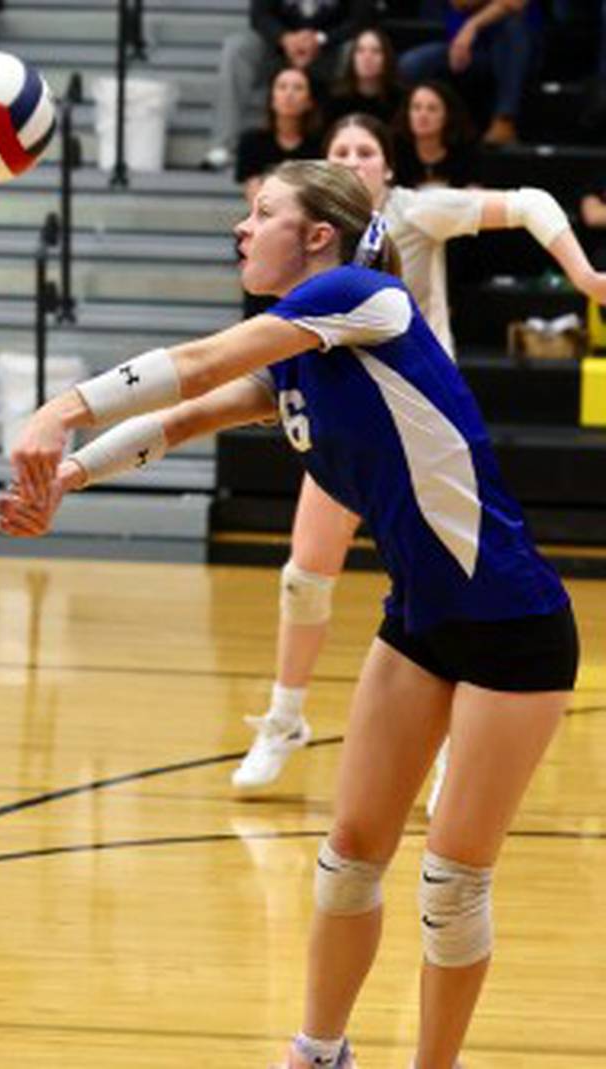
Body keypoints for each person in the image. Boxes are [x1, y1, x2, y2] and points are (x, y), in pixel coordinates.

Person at [0, 158, 581, 1069]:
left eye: (261, 211)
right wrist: (67, 476)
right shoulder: (302, 358)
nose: (241, 226)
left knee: (452, 881)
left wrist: (58, 410)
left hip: (515, 627)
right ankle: (319, 1052)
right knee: (348, 854)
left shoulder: (364, 296)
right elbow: (188, 412)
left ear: (317, 235)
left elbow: (194, 361)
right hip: (420, 621)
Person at [229, 111, 601, 796]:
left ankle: (450, 740)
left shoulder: (418, 213)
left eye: (364, 150)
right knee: (303, 576)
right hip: (348, 425)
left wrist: (583, 274)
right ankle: (284, 718)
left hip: (423, 437)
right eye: (337, 148)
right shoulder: (313, 245)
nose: (350, 159)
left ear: (389, 167)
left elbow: (530, 202)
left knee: (447, 587)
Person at [201, 0, 361, 172]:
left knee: (359, 50)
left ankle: (354, 145)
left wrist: (320, 40)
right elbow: (259, 16)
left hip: (330, 48)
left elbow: (361, 19)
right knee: (237, 48)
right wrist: (284, 38)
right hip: (276, 46)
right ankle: (223, 144)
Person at [397, 0, 542, 145]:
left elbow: (515, 3)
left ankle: (505, 118)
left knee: (512, 26)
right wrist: (497, 7)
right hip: (464, 49)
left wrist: (472, 25)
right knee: (411, 65)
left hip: (515, 55)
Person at [236, 66, 325, 207]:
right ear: (272, 99)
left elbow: (319, 198)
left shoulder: (321, 145)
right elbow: (256, 199)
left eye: (298, 88)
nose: (289, 94)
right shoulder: (251, 142)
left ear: (309, 102)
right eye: (282, 87)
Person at [393, 80, 479, 190]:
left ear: (448, 116)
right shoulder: (394, 152)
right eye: (416, 108)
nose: (422, 115)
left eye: (432, 109)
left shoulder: (467, 153)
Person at [326, 26, 403, 126]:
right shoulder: (335, 100)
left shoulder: (400, 100)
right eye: (360, 51)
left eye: (376, 51)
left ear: (387, 59)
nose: (367, 57)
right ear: (352, 58)